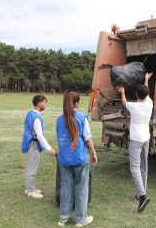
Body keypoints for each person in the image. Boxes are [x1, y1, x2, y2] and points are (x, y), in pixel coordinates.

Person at [56, 91, 98, 227]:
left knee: (65, 186)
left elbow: (59, 139)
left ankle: (64, 217)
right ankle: (80, 219)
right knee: (81, 187)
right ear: (76, 103)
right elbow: (87, 137)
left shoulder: (59, 120)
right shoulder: (81, 117)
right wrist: (94, 152)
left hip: (64, 159)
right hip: (79, 158)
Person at [115, 72, 153, 213]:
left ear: (136, 94)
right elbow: (146, 92)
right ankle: (140, 192)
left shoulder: (134, 106)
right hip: (146, 139)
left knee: (134, 167)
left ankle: (142, 195)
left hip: (136, 140)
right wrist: (146, 79)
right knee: (144, 166)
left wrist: (123, 92)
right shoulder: (149, 103)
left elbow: (124, 102)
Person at [21, 95, 57, 199]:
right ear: (39, 104)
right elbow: (40, 136)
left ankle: (29, 187)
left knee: (30, 166)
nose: (46, 105)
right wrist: (49, 148)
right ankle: (31, 191)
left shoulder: (30, 113)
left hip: (31, 143)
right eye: (45, 103)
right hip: (33, 144)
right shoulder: (36, 118)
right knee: (32, 168)